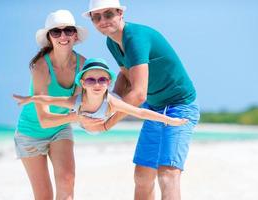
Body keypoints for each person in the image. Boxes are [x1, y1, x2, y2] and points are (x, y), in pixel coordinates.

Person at [82, 0, 200, 199]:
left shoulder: (135, 37)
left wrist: (107, 122)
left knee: (168, 173)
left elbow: (138, 94)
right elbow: (125, 76)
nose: (103, 20)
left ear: (120, 13)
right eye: (97, 17)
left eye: (108, 14)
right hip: (154, 107)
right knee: (142, 176)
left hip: (180, 106)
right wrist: (101, 109)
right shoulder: (112, 41)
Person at [14, 9, 94, 199]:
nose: (63, 36)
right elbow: (45, 120)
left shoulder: (84, 65)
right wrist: (78, 116)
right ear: (49, 37)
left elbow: (77, 102)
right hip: (30, 134)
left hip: (60, 129)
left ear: (75, 35)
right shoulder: (41, 66)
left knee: (67, 181)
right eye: (56, 32)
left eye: (68, 30)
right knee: (44, 196)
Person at [13, 58, 188, 131]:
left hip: (112, 103)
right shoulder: (76, 100)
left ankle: (130, 69)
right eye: (90, 81)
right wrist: (29, 99)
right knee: (120, 89)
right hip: (91, 121)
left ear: (107, 82)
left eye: (102, 80)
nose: (97, 84)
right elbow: (48, 99)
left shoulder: (111, 101)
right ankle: (125, 72)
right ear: (82, 83)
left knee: (123, 87)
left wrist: (169, 120)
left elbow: (140, 112)